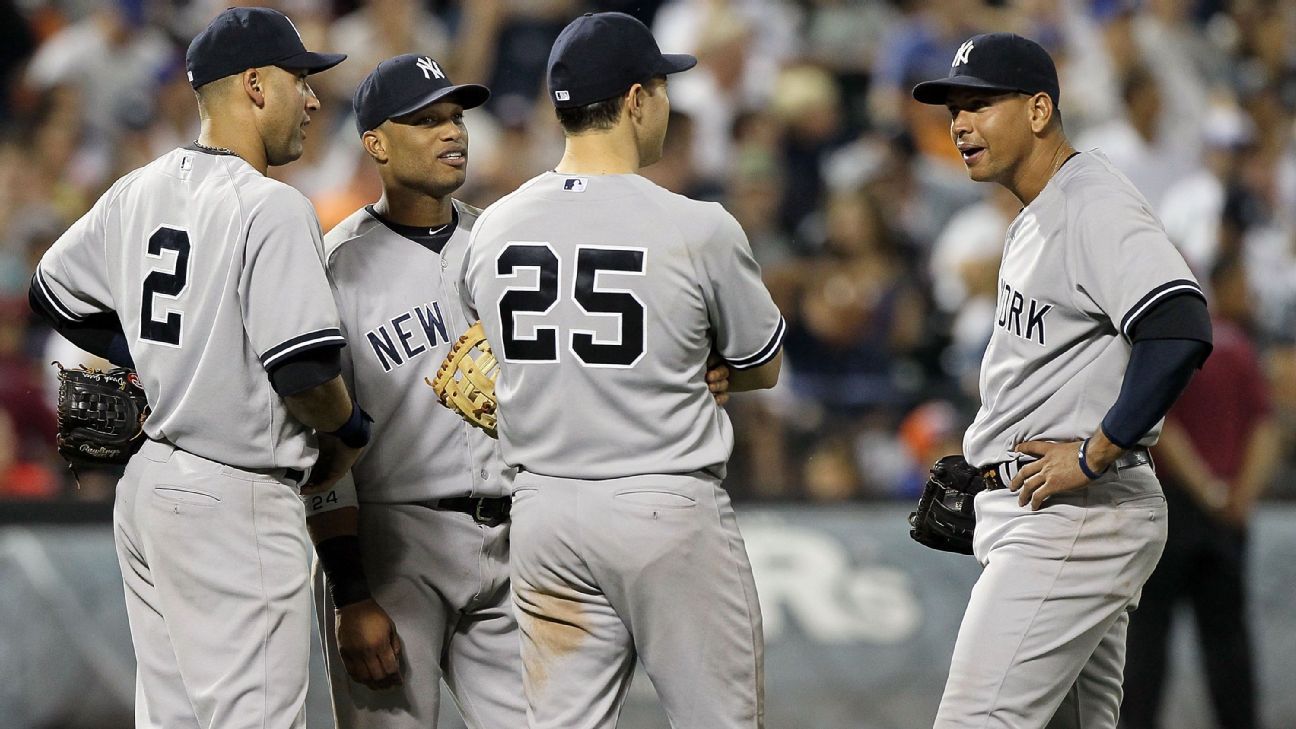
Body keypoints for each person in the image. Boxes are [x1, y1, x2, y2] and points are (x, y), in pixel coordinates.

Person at [308, 53, 735, 728]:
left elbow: (598, 359)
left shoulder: (505, 238)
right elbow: (320, 443)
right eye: (425, 120)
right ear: (376, 143)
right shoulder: (335, 266)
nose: (452, 132)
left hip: (519, 532)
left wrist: (697, 369)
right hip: (396, 538)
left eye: (456, 115)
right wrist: (348, 590)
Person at [27, 8, 366, 728]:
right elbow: (306, 375)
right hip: (235, 494)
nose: (312, 100)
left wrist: (154, 358)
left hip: (149, 487)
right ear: (252, 85)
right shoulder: (272, 207)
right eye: (298, 79)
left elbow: (51, 290)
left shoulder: (139, 187)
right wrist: (350, 430)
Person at [460, 11, 784, 729]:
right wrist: (714, 366)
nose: (668, 102)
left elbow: (486, 351)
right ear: (636, 100)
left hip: (543, 511)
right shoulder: (697, 225)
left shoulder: (495, 226)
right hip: (661, 502)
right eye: (662, 88)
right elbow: (763, 363)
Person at [911, 33, 1214, 728]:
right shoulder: (1038, 211)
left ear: (1040, 109)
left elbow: (1180, 324)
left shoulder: (1091, 202)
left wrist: (1094, 451)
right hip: (1057, 510)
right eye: (954, 108)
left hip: (1076, 517)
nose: (959, 124)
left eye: (981, 104)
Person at [1122, 253, 1281, 729]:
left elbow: (1158, 424)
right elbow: (1266, 428)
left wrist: (1206, 490)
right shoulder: (1234, 346)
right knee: (1228, 641)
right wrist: (1239, 499)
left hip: (1170, 512)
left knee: (1147, 642)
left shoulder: (1160, 345)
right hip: (1226, 520)